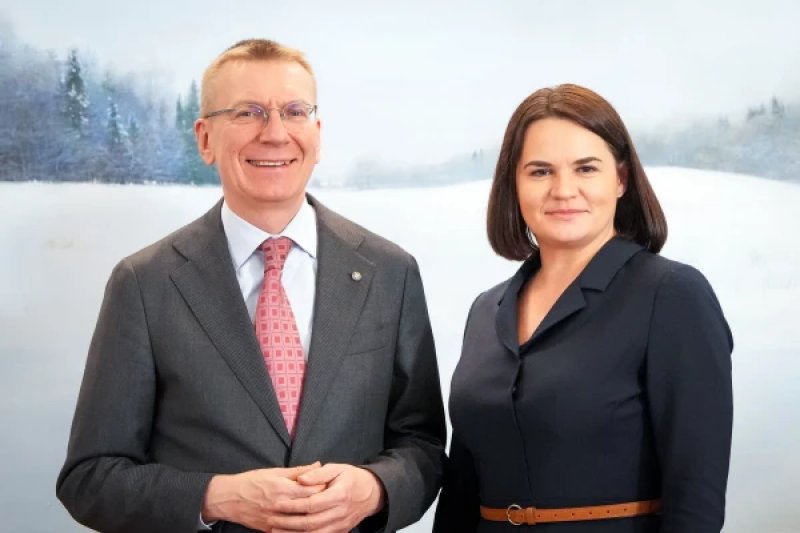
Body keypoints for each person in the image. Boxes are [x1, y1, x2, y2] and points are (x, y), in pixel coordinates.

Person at [56, 39, 446, 533]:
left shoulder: (390, 272)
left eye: (295, 112)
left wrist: (375, 489)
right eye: (249, 113)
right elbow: (90, 479)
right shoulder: (144, 284)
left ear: (317, 134)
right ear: (205, 139)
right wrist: (217, 498)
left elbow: (423, 446)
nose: (276, 133)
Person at [433, 84, 733, 532]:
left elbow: (696, 502)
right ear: (514, 184)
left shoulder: (672, 295)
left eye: (586, 168)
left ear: (621, 179)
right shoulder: (485, 310)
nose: (563, 190)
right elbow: (461, 491)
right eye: (540, 172)